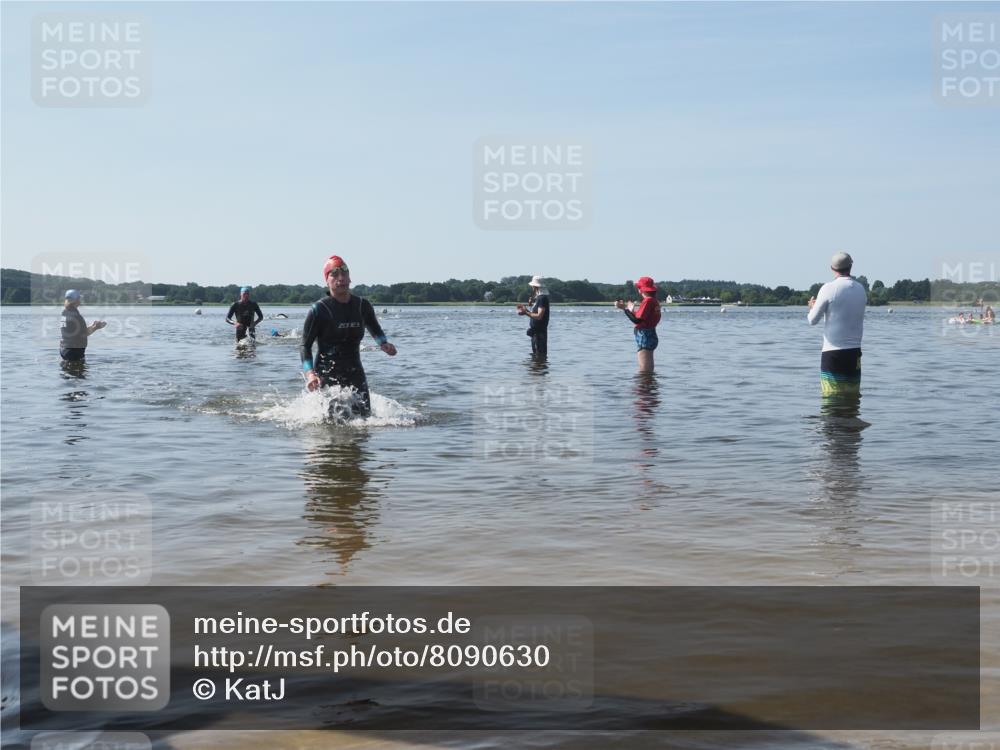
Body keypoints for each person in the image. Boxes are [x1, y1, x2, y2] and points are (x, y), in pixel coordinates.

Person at [301, 255, 397, 417]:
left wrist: (384, 344)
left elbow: (375, 328)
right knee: (331, 421)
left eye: (344, 273)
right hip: (326, 372)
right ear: (327, 280)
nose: (341, 278)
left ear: (350, 278)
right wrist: (310, 374)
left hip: (355, 370)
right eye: (334, 274)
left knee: (365, 418)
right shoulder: (319, 310)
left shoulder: (362, 306)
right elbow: (305, 346)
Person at [807, 252, 866, 395]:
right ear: (851, 266)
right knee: (852, 397)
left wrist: (812, 307)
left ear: (832, 268)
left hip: (832, 353)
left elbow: (812, 320)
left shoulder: (828, 288)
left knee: (831, 399)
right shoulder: (860, 289)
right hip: (854, 353)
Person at [616, 276, 661, 373]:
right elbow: (641, 317)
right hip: (650, 334)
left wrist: (625, 308)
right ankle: (649, 387)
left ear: (641, 290)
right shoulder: (654, 300)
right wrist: (631, 310)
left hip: (645, 336)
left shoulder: (647, 301)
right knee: (647, 369)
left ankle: (644, 387)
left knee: (644, 371)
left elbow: (637, 320)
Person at [59, 289, 107, 361]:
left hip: (64, 349)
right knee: (78, 371)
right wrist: (97, 327)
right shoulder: (76, 316)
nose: (80, 300)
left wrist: (93, 326)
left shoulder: (65, 312)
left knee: (67, 370)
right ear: (76, 300)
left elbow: (77, 332)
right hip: (73, 352)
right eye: (79, 298)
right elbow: (84, 334)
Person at [516, 276, 550, 356]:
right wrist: (526, 310)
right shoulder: (539, 298)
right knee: (537, 359)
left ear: (535, 286)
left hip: (539, 334)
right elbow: (535, 314)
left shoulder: (542, 298)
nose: (532, 287)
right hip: (536, 333)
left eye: (532, 286)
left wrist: (525, 312)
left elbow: (539, 316)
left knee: (539, 357)